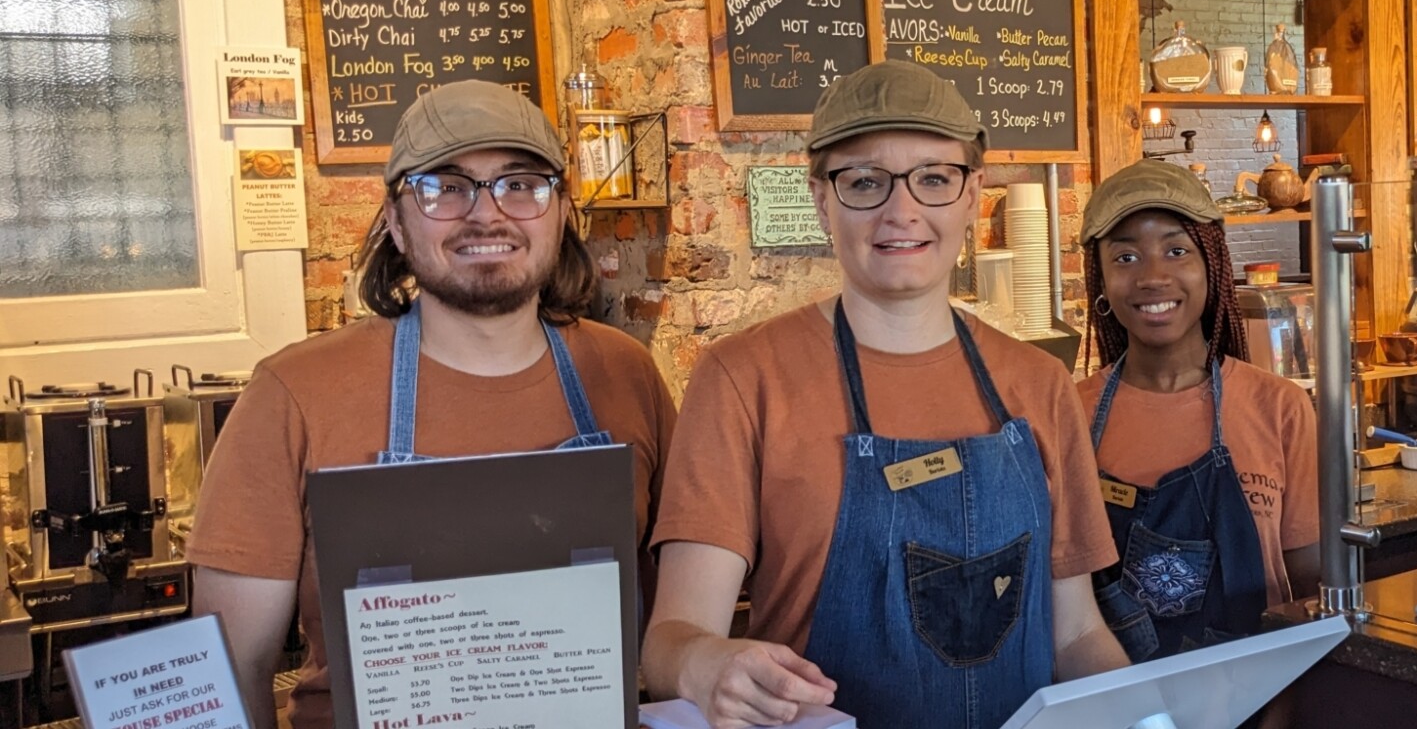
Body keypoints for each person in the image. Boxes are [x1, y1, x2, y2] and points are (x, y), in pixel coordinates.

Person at [641, 60, 1128, 729]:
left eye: (933, 179)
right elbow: (671, 638)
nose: (902, 211)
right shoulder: (741, 380)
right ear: (821, 199)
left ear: (972, 193)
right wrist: (707, 665)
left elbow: (1075, 635)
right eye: (865, 182)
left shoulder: (1039, 385)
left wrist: (1146, 716)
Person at [186, 80, 676, 729]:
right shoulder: (292, 394)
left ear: (560, 212)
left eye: (520, 183)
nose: (486, 214)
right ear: (393, 219)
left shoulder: (626, 374)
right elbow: (227, 668)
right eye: (444, 187)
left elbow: (685, 614)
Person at [1076, 160, 1320, 662]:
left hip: (1259, 693)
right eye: (1125, 257)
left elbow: (1310, 589)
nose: (1152, 277)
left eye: (1176, 250)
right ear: (1098, 278)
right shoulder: (1069, 416)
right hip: (1119, 700)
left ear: (1213, 265)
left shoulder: (1279, 408)